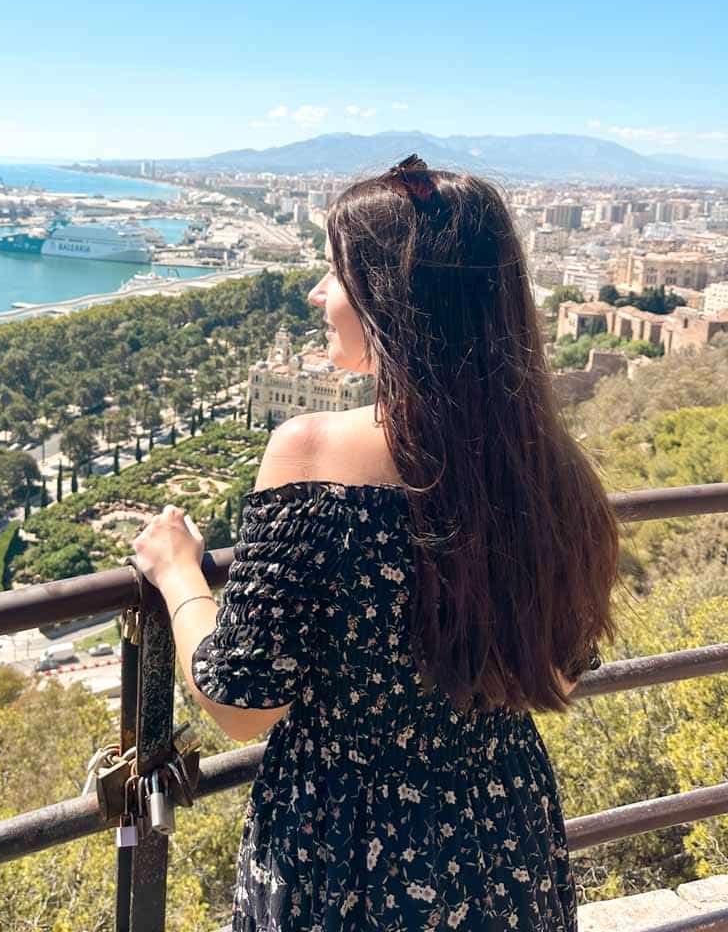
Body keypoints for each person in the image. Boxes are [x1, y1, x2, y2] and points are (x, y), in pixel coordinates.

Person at [132, 154, 618, 931]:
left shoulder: (313, 450)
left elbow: (240, 701)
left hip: (349, 846)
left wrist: (177, 572)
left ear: (391, 298)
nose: (316, 293)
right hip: (504, 831)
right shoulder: (550, 468)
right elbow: (567, 659)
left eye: (334, 273)